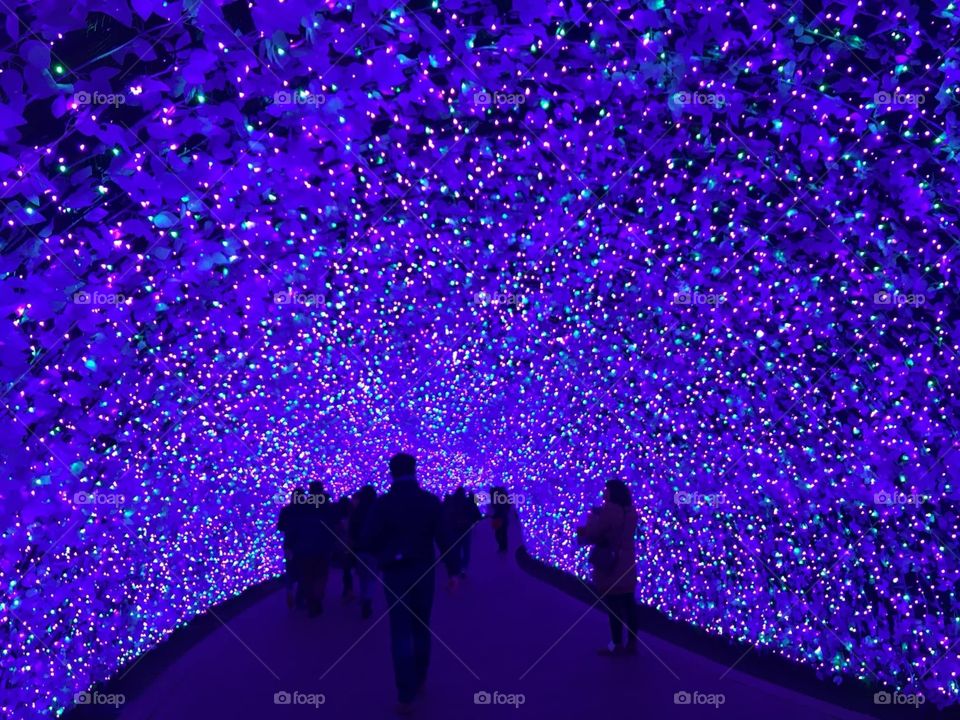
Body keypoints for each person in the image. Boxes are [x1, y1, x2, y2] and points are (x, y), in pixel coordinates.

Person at [360, 453, 443, 716]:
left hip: (395, 572)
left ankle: (405, 695)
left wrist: (385, 550)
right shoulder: (429, 501)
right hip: (424, 570)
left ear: (391, 472)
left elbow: (368, 538)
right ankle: (420, 678)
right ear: (414, 470)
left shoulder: (383, 504)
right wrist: (454, 571)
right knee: (421, 624)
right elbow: (444, 535)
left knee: (400, 631)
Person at [576, 479, 639, 656]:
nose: (604, 493)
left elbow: (595, 533)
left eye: (606, 490)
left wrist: (589, 522)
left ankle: (616, 646)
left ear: (612, 492)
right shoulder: (631, 512)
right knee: (629, 604)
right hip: (627, 563)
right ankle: (632, 644)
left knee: (614, 607)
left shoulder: (609, 511)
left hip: (612, 565)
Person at [292, 481, 336, 617]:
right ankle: (317, 597)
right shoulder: (327, 506)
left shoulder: (303, 506)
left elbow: (295, 526)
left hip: (304, 546)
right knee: (321, 574)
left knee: (308, 575)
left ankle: (311, 599)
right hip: (322, 546)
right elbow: (332, 524)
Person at [439, 486, 482, 585]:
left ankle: (457, 567)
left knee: (457, 549)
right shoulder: (468, 501)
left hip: (454, 529)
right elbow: (476, 514)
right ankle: (463, 568)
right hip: (466, 529)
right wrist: (474, 521)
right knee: (466, 549)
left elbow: (445, 513)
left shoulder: (451, 501)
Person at [349, 484, 378, 618]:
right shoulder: (377, 509)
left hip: (359, 548)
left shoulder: (356, 511)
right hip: (374, 548)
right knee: (372, 576)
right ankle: (368, 598)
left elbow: (351, 530)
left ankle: (363, 597)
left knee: (362, 576)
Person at [277, 488, 306, 609]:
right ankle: (299, 598)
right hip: (303, 545)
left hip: (289, 545)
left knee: (290, 568)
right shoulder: (306, 510)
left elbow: (280, 527)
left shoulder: (286, 510)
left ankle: (289, 591)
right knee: (304, 570)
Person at [489, 486, 510, 553]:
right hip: (503, 517)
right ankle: (503, 547)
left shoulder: (498, 498)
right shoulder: (503, 496)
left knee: (498, 533)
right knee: (502, 533)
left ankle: (502, 547)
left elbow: (498, 508)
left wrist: (495, 514)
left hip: (499, 517)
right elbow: (507, 506)